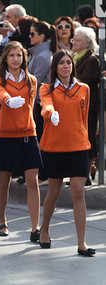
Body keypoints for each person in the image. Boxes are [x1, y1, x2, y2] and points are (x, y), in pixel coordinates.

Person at [38, 50, 95, 257]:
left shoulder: (84, 88)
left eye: (68, 62)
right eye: (61, 63)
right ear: (55, 67)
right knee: (54, 190)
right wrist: (50, 113)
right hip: (54, 148)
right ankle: (43, 229)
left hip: (79, 147)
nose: (65, 66)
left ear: (73, 65)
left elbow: (85, 117)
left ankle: (82, 243)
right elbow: (46, 105)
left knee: (78, 191)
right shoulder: (46, 88)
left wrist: (89, 143)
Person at [0, 41, 41, 239]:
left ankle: (35, 227)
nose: (15, 59)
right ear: (5, 58)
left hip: (28, 134)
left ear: (24, 58)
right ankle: (2, 222)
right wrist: (8, 100)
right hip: (6, 135)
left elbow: (30, 107)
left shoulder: (32, 80)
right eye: (11, 55)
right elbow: (0, 94)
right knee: (3, 180)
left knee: (32, 181)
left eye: (19, 55)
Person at [28, 21, 58, 185]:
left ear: (42, 36)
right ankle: (43, 173)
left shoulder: (43, 55)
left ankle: (45, 174)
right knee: (40, 138)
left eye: (32, 34)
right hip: (38, 102)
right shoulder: (38, 53)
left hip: (41, 103)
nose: (29, 36)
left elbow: (36, 82)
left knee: (42, 139)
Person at [71, 27, 99, 184]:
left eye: (77, 40)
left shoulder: (92, 60)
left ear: (87, 43)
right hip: (73, 105)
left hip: (88, 106)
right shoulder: (74, 57)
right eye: (73, 39)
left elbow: (84, 81)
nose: (74, 42)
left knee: (88, 138)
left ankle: (87, 173)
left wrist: (67, 75)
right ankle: (78, 172)